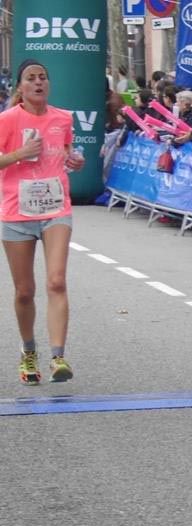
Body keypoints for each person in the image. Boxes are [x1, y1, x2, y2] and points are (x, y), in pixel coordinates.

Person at [0, 60, 85, 384]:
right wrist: (20, 153)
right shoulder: (7, 120)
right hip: (17, 212)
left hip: (55, 209)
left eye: (43, 78)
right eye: (31, 78)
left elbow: (66, 154)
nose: (38, 83)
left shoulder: (62, 118)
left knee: (56, 282)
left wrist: (74, 161)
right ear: (20, 87)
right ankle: (28, 351)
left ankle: (58, 357)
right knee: (25, 291)